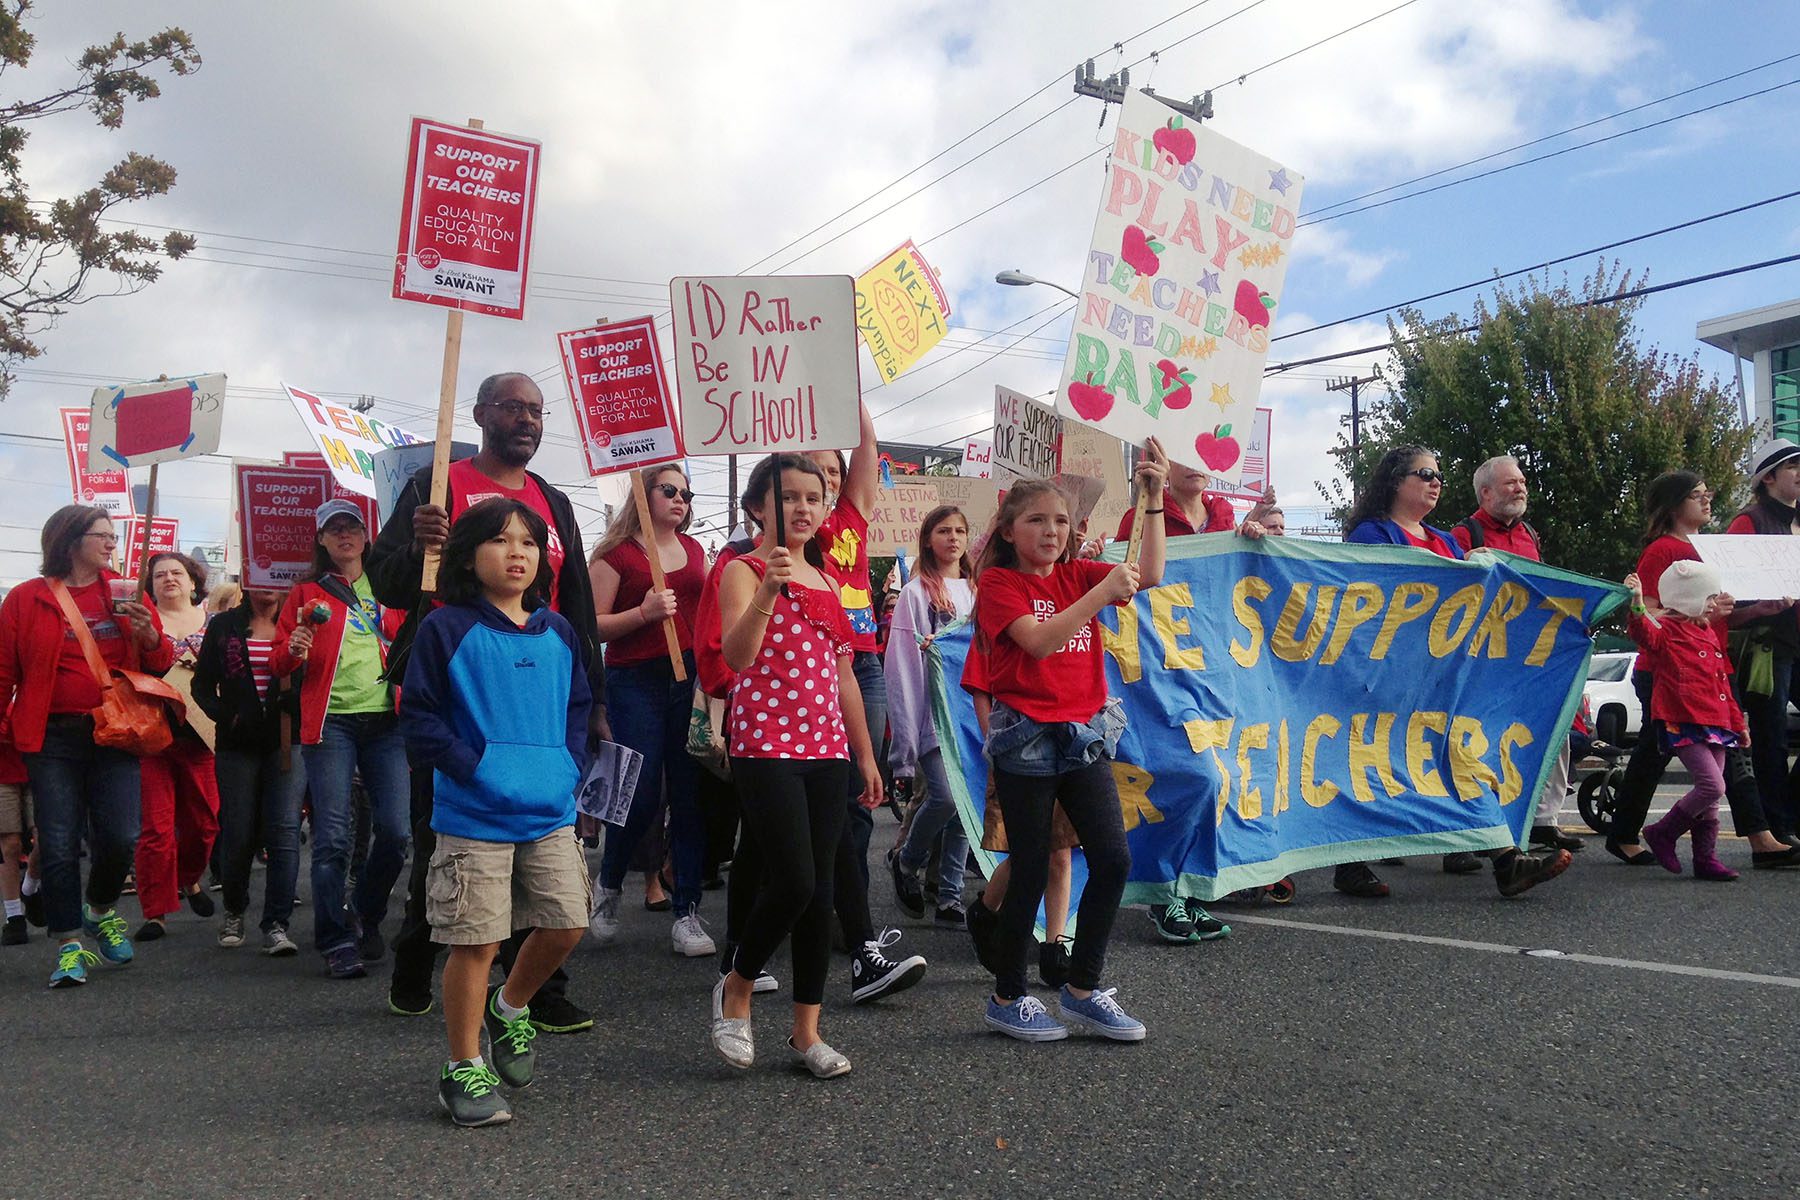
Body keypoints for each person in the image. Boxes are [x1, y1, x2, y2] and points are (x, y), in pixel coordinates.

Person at [372, 371, 604, 1035]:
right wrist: (417, 541)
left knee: (544, 849)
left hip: (539, 697)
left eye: (536, 410)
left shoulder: (552, 502)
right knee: (442, 841)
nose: (527, 419)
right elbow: (389, 586)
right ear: (479, 414)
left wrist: (594, 705)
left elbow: (576, 601)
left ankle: (534, 993)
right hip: (461, 699)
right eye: (512, 407)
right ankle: (418, 960)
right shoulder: (433, 486)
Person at [401, 498, 592, 1127]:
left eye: (530, 542)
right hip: (472, 816)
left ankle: (510, 1009)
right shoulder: (446, 627)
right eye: (501, 540)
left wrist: (565, 763)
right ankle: (462, 1067)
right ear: (468, 553)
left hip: (550, 811)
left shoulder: (559, 630)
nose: (517, 552)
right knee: (475, 940)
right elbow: (421, 719)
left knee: (567, 923)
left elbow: (578, 708)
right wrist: (478, 768)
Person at [973, 445, 1167, 1042]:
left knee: (1112, 859)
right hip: (1025, 738)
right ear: (1009, 529)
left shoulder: (1080, 574)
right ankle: (1008, 996)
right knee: (1030, 868)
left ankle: (1083, 989)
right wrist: (1099, 594)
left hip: (1083, 735)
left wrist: (1153, 498)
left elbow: (1150, 574)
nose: (1051, 531)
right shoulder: (1000, 584)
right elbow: (1038, 642)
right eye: (1035, 520)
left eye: (1060, 520)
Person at [710, 453, 884, 1078]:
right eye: (789, 498)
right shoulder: (743, 570)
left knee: (820, 894)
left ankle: (806, 1033)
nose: (805, 507)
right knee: (794, 881)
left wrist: (864, 754)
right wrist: (768, 590)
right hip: (764, 748)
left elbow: (845, 677)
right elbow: (734, 655)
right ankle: (737, 984)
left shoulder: (831, 584)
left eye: (814, 497)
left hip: (827, 750)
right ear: (758, 506)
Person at [1342, 445, 1572, 898]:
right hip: (1386, 679)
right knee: (1363, 766)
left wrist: (1482, 572)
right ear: (1395, 482)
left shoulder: (1445, 540)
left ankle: (1506, 859)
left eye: (1438, 474)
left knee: (1467, 757)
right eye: (1423, 473)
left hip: (1442, 680)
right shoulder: (1372, 534)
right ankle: (1349, 864)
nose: (1435, 481)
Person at [0, 505, 173, 987]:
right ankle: (69, 942)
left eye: (115, 537)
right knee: (56, 842)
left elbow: (160, 662)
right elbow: (3, 671)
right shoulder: (26, 598)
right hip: (51, 736)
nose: (113, 545)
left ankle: (99, 909)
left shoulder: (125, 591)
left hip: (115, 730)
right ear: (70, 540)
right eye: (104, 536)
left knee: (120, 835)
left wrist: (149, 633)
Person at [1605, 472, 1800, 868]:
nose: (1707, 501)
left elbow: (1718, 619)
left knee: (1721, 750)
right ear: (1674, 504)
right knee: (1655, 754)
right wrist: (1696, 613)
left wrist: (1758, 611)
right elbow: (1648, 613)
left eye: (1707, 493)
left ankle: (1755, 838)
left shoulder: (1711, 550)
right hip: (1670, 670)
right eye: (1697, 495)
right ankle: (1632, 832)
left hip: (1713, 662)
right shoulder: (1662, 550)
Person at [808, 401, 927, 1002]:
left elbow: (866, 450)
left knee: (862, 793)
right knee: (823, 802)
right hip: (813, 669)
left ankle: (844, 914)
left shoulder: (852, 520)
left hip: (863, 666)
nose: (828, 481)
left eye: (832, 471)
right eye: (813, 470)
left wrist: (843, 375)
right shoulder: (794, 535)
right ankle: (818, 912)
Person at [271, 499, 410, 979]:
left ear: (367, 537)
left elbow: (413, 638)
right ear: (323, 541)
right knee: (331, 837)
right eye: (334, 530)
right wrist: (293, 649)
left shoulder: (391, 585)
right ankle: (335, 939)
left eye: (352, 528)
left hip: (388, 723)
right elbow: (279, 663)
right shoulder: (306, 593)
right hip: (330, 724)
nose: (345, 536)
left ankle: (365, 912)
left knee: (396, 832)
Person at [586, 463, 712, 958]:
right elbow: (591, 625)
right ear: (642, 494)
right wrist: (643, 613)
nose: (680, 499)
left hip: (688, 681)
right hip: (634, 679)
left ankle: (687, 911)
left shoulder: (697, 551)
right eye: (669, 490)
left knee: (689, 796)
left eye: (686, 492)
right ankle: (610, 882)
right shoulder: (616, 555)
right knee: (636, 793)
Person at [1449, 456, 1583, 855]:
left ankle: (1544, 821)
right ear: (1486, 492)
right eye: (1510, 483)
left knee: (1553, 732)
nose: (1520, 488)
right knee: (1476, 741)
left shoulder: (1529, 534)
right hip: (1485, 659)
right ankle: (1466, 832)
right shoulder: (1464, 533)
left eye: (1522, 481)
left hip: (1529, 655)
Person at [192, 585, 304, 954]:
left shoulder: (299, 623)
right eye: (259, 578)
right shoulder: (225, 625)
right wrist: (228, 715)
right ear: (245, 582)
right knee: (238, 832)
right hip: (237, 745)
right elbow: (201, 685)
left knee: (285, 832)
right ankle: (234, 909)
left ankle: (276, 923)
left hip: (288, 740)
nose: (267, 589)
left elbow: (321, 676)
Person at [1625, 561, 1750, 880]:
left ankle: (1705, 859)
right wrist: (1638, 602)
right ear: (1687, 598)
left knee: (1710, 793)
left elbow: (1722, 684)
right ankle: (1663, 832)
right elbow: (1643, 632)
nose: (1714, 603)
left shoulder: (1707, 633)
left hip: (1717, 723)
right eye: (1708, 597)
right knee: (1712, 786)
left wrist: (1738, 724)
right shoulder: (1666, 630)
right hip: (1682, 721)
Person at [885, 505, 975, 926]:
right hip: (935, 717)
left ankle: (949, 895)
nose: (953, 538)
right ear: (928, 538)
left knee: (967, 809)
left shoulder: (979, 590)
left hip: (974, 718)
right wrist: (904, 746)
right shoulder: (915, 593)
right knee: (946, 796)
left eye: (960, 530)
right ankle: (908, 860)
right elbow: (902, 666)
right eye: (943, 530)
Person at [133, 551, 221, 940]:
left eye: (176, 573)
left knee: (205, 824)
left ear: (192, 581)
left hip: (201, 737)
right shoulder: (138, 622)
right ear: (149, 586)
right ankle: (156, 912)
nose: (168, 579)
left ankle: (189, 880)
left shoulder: (216, 622)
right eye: (159, 575)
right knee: (156, 830)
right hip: (153, 738)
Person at [1724, 438, 1800, 846]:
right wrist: (1764, 602)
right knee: (1771, 737)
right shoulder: (1749, 521)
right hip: (1767, 644)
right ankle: (1778, 828)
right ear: (1768, 478)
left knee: (1775, 737)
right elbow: (1730, 587)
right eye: (1794, 467)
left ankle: (1790, 815)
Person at [1, 747, 31, 944]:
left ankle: (30, 887)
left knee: (47, 837)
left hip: (43, 758)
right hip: (2, 763)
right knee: (9, 843)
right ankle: (14, 916)